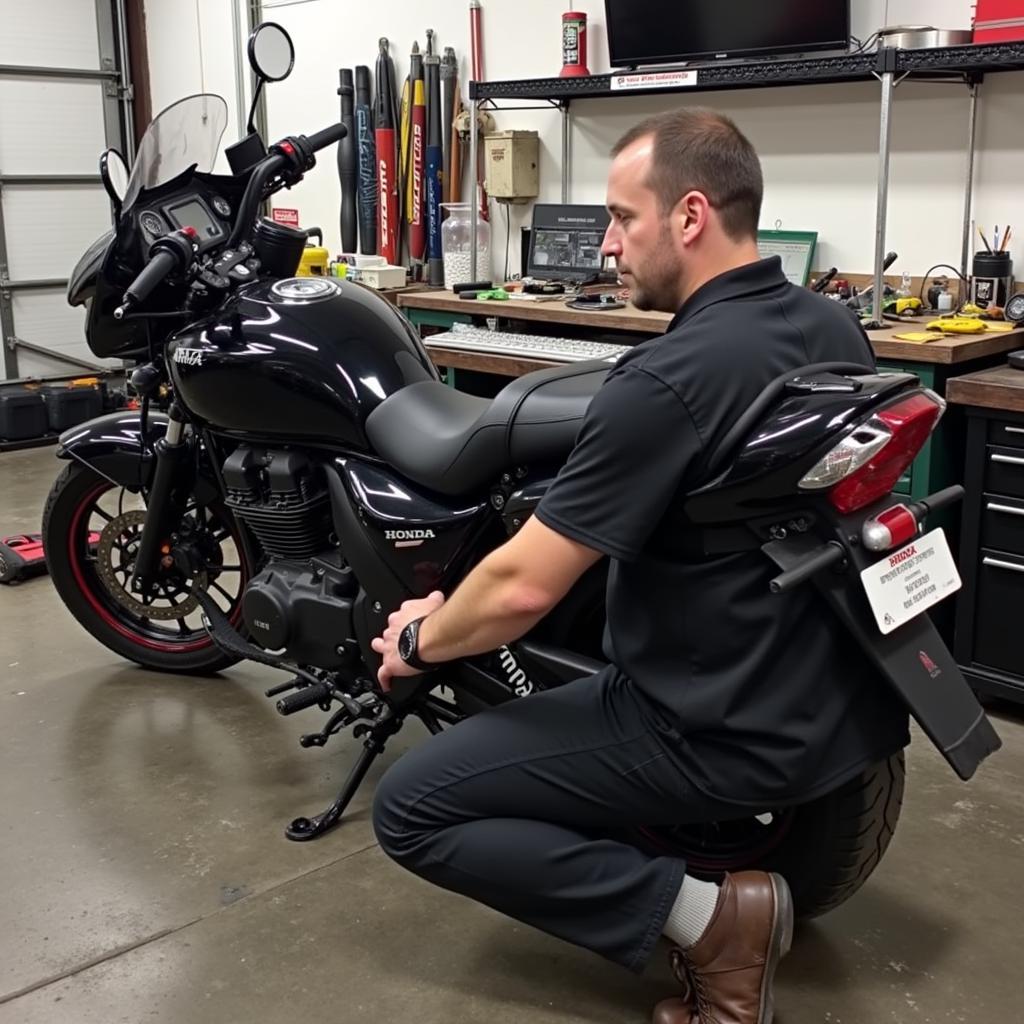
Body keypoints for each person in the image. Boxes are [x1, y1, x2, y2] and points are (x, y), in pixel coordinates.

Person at [370, 108, 909, 1024]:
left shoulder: (665, 380)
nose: (607, 244)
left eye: (623, 218)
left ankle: (711, 924)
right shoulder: (830, 324)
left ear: (690, 216)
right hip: (829, 692)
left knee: (412, 809)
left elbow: (522, 587)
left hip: (702, 721)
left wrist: (419, 639)